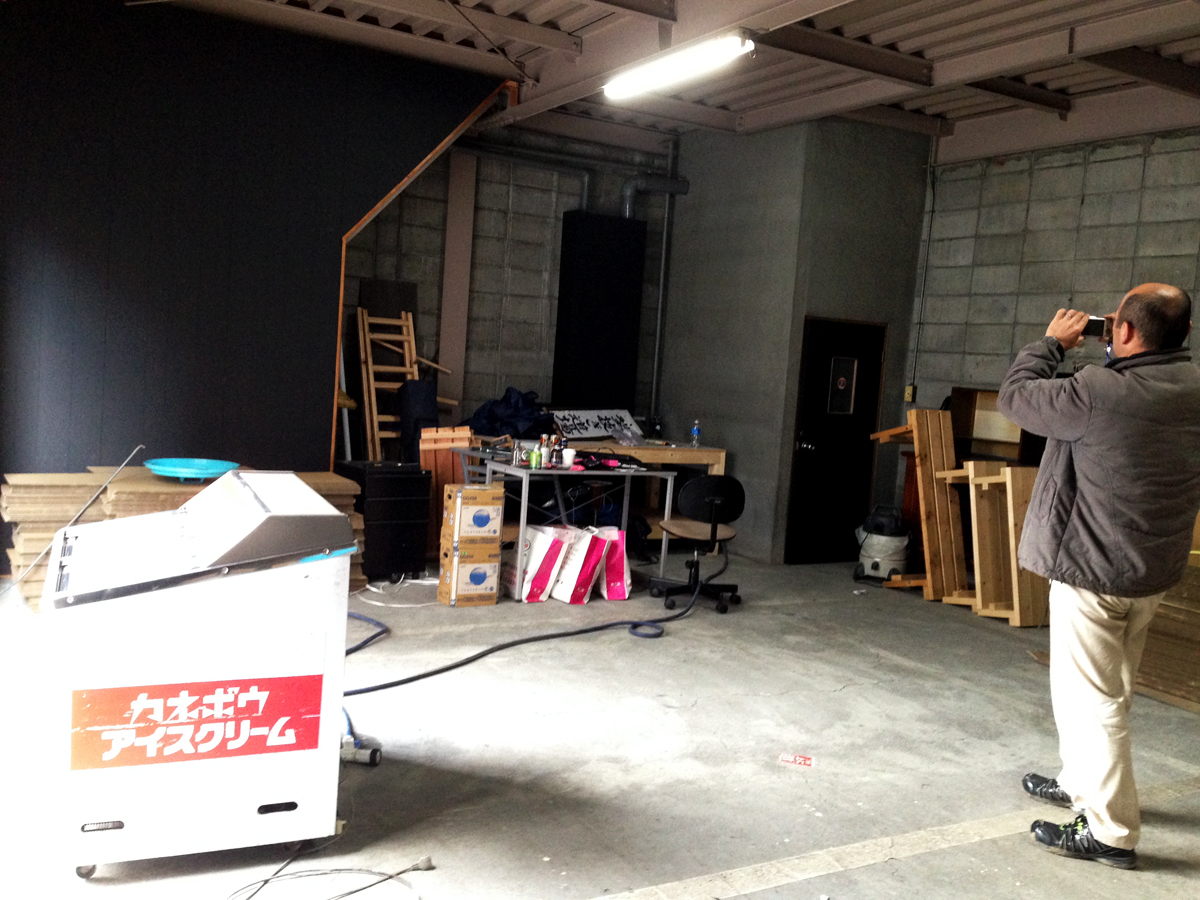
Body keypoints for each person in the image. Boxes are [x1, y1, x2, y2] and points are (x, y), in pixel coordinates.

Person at [997, 283, 1200, 869]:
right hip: (1150, 568)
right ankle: (1081, 783)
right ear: (1185, 333)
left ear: (1126, 331)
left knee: (1092, 701)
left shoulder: (1098, 391)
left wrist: (1052, 343)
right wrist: (1121, 348)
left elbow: (1016, 397)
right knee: (1112, 689)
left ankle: (1111, 833)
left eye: (1117, 325)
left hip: (1094, 572)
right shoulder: (1192, 388)